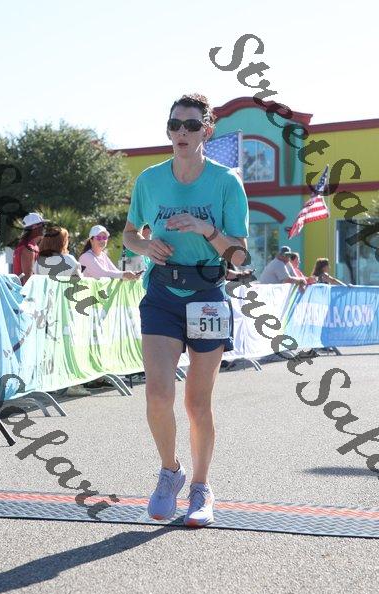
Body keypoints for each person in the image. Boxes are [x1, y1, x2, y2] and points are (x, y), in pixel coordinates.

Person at [123, 93, 249, 527]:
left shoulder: (226, 182)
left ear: (206, 130)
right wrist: (145, 246)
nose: (182, 132)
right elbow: (129, 234)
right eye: (175, 124)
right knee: (158, 394)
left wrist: (205, 228)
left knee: (197, 402)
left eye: (191, 125)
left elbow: (239, 257)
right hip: (161, 292)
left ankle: (200, 487)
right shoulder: (150, 179)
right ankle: (169, 472)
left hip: (207, 294)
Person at [12, 213, 45, 284]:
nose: (44, 228)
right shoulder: (28, 248)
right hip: (25, 290)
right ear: (34, 228)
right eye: (42, 225)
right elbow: (28, 279)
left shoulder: (29, 246)